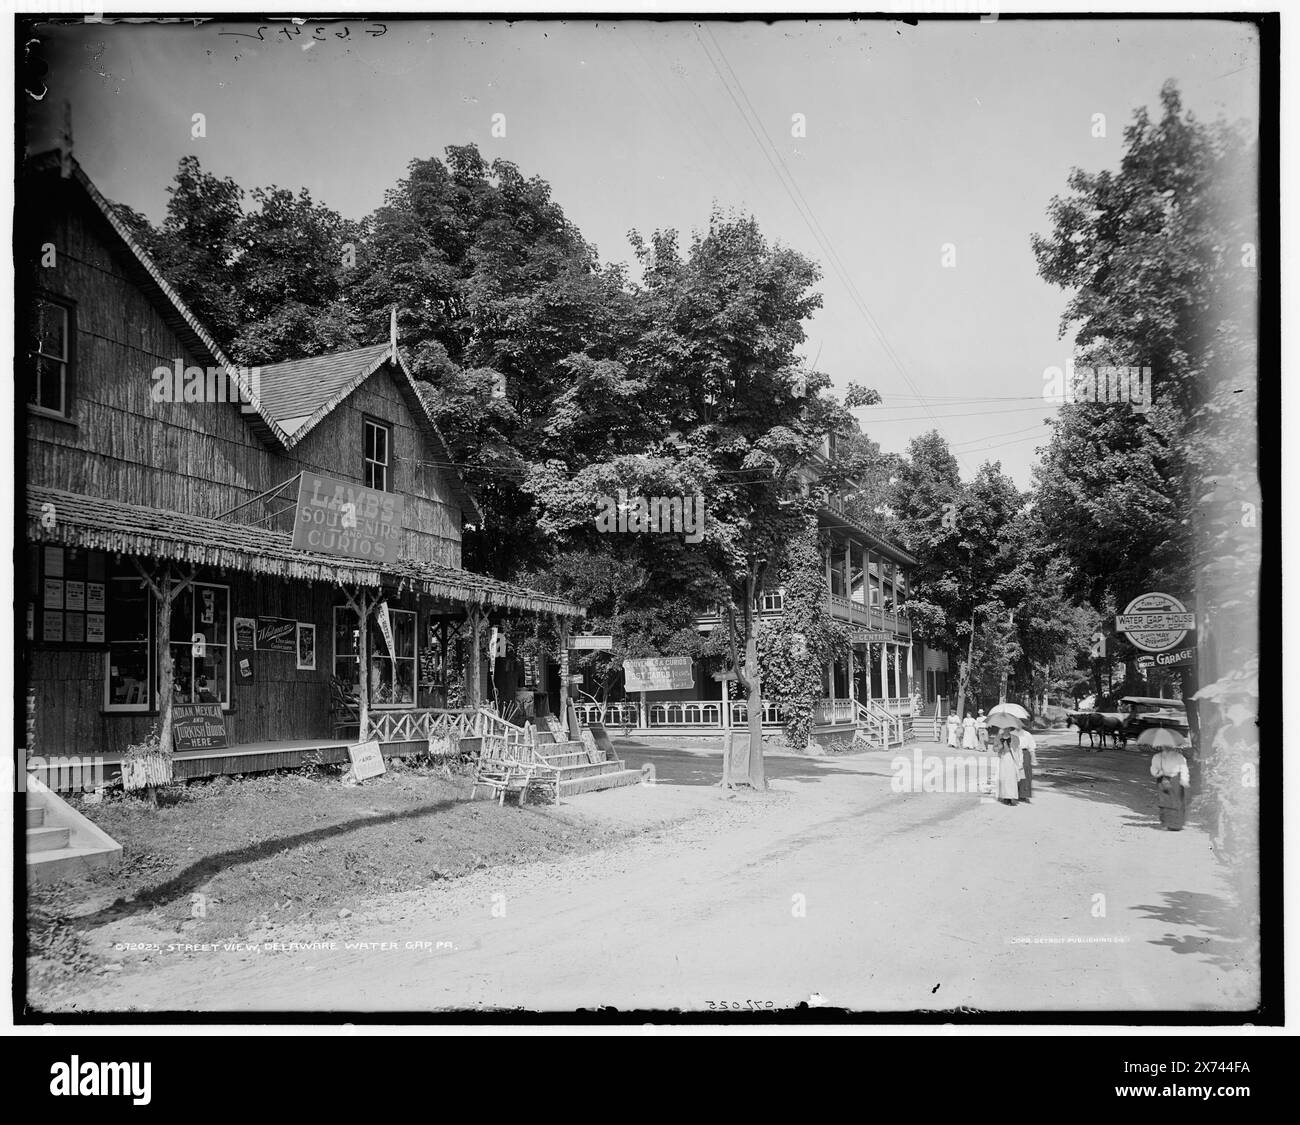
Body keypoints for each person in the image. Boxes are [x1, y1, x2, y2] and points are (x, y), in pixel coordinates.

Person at [1150, 744, 1191, 831]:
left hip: (1176, 781)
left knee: (1177, 802)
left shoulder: (1179, 757)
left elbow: (1184, 769)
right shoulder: (1157, 757)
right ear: (1162, 747)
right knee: (1164, 802)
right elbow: (1153, 769)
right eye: (1165, 746)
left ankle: (1176, 824)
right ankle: (1166, 822)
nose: (1167, 748)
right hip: (1163, 780)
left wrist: (1184, 780)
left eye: (1169, 746)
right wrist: (1158, 773)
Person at [996, 726, 1024, 804]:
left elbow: (1018, 749)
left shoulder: (1015, 738)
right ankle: (1005, 796)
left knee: (1011, 778)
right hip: (1003, 758)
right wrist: (1000, 747)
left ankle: (1011, 796)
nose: (1006, 730)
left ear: (1010, 729)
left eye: (1007, 728)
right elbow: (995, 749)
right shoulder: (999, 737)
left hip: (1012, 759)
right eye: (1004, 728)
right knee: (1004, 777)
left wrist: (1011, 746)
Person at [1017, 728, 1037, 802]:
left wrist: (1033, 758)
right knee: (1015, 774)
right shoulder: (1011, 733)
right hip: (1014, 753)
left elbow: (1031, 747)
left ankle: (1024, 794)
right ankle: (1015, 793)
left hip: (1025, 753)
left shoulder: (1026, 734)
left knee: (1026, 774)